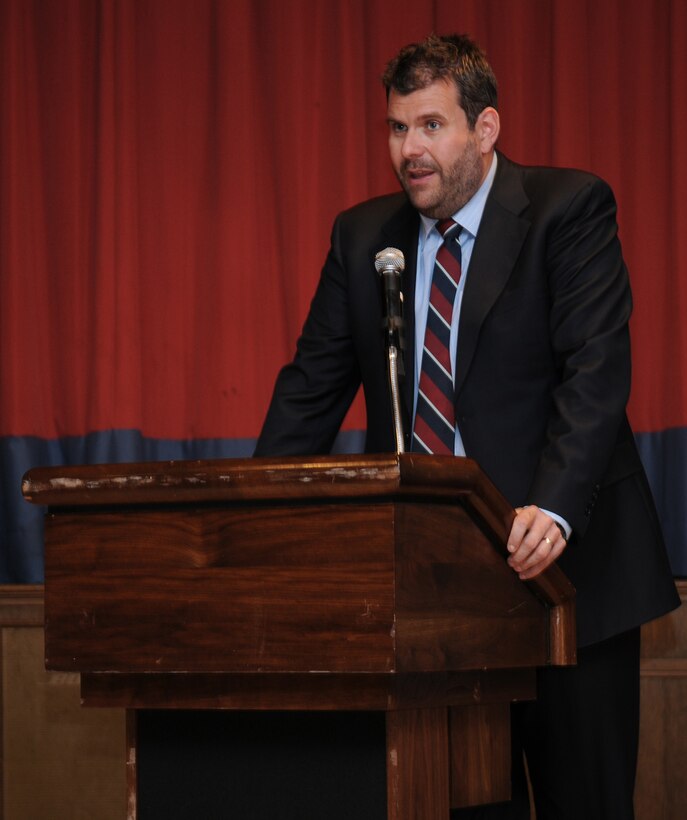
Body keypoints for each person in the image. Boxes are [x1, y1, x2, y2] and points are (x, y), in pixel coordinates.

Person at [255, 33, 680, 819]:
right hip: (430, 600)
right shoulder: (363, 241)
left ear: (484, 129)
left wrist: (550, 508)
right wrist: (250, 527)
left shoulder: (566, 208)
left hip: (565, 582)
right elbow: (306, 399)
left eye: (429, 126)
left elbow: (594, 374)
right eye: (395, 128)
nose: (408, 150)